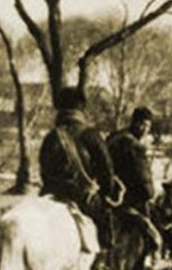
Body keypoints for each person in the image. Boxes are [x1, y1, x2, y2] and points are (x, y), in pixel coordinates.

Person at [39, 86, 116, 249]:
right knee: (105, 226)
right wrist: (106, 193)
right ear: (81, 108)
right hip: (82, 198)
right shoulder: (91, 135)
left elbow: (43, 169)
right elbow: (107, 170)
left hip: (51, 193)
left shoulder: (51, 136)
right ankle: (101, 260)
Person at [106, 106, 161, 251]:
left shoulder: (113, 137)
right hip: (128, 199)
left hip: (106, 195)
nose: (145, 129)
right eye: (143, 125)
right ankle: (153, 255)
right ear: (135, 123)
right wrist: (150, 194)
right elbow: (144, 182)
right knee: (154, 234)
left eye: (148, 126)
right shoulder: (135, 146)